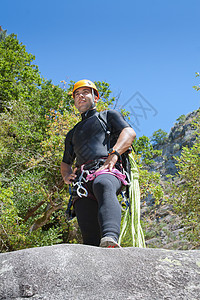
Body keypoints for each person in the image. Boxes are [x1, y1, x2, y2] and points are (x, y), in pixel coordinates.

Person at [61, 79, 136, 248]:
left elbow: (129, 133)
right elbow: (65, 162)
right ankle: (93, 253)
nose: (81, 96)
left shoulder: (108, 116)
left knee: (102, 183)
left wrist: (114, 154)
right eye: (77, 94)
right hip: (82, 179)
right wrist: (66, 175)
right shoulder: (72, 134)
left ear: (96, 97)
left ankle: (110, 238)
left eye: (85, 93)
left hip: (106, 169)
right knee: (82, 208)